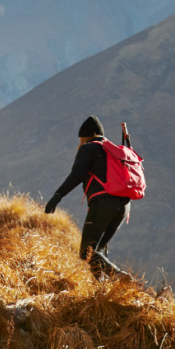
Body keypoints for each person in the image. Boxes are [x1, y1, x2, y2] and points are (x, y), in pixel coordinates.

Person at [43, 116, 132, 279]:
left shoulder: (88, 148)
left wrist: (58, 195)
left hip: (104, 204)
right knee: (96, 251)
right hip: (125, 205)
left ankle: (117, 275)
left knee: (86, 251)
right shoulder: (113, 150)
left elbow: (76, 175)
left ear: (84, 136)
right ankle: (102, 292)